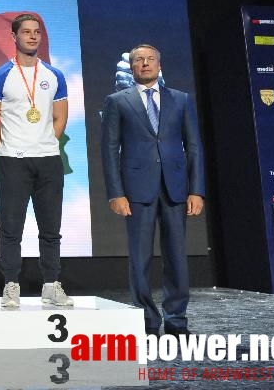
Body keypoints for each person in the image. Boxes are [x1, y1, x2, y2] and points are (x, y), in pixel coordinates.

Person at [101, 44, 204, 337]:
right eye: (138, 61)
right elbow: (109, 151)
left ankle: (176, 320)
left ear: (159, 64)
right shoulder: (117, 101)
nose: (144, 64)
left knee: (176, 255)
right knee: (140, 257)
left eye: (150, 60)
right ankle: (146, 321)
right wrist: (115, 193)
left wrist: (196, 190)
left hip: (175, 188)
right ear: (132, 67)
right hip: (136, 190)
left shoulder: (181, 100)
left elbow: (193, 146)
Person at [0, 13, 73, 308]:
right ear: (14, 37)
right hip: (13, 161)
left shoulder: (54, 76)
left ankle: (51, 284)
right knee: (11, 227)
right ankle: (11, 285)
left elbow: (60, 117)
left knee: (50, 228)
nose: (33, 36)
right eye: (27, 32)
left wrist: (45, 144)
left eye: (37, 32)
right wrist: (11, 148)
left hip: (48, 160)